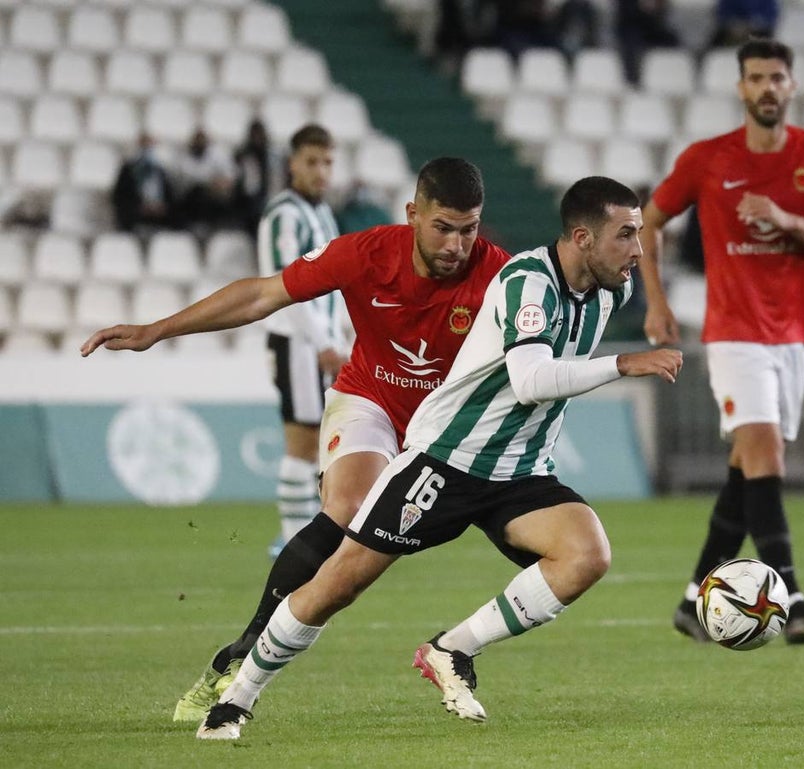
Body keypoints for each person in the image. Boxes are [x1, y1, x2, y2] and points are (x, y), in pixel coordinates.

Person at [194, 176, 683, 739]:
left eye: (638, 235)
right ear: (583, 237)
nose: (638, 249)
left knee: (586, 554)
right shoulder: (528, 281)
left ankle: (453, 649)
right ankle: (236, 698)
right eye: (625, 235)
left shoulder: (611, 288)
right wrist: (623, 363)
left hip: (519, 470)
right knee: (339, 583)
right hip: (448, 459)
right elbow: (529, 380)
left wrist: (656, 305)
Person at [79, 157, 513, 722]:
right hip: (371, 400)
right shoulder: (365, 254)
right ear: (413, 214)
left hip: (444, 429)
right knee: (349, 507)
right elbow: (262, 295)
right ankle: (239, 656)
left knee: (357, 572)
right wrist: (156, 330)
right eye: (443, 228)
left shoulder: (501, 277)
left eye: (468, 229)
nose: (456, 245)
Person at [637, 39, 804, 645]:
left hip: (796, 332)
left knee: (748, 465)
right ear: (740, 88)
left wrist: (786, 220)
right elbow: (648, 221)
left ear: (791, 86)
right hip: (734, 330)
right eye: (755, 77)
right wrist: (656, 301)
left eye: (776, 77)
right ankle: (794, 599)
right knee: (765, 451)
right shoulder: (708, 159)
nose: (766, 88)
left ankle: (693, 600)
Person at [255, 124, 345, 559]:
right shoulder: (284, 215)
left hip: (318, 341)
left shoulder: (321, 213)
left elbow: (333, 283)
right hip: (296, 341)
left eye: (327, 162)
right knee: (303, 441)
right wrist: (323, 341)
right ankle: (294, 542)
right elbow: (285, 285)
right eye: (311, 162)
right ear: (292, 164)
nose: (320, 171)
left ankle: (304, 535)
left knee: (319, 441)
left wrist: (340, 333)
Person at [174, 127, 237, 235]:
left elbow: (229, 179)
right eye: (197, 140)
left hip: (213, 198)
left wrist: (217, 184)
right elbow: (180, 183)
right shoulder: (183, 157)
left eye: (201, 139)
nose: (199, 142)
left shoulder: (217, 155)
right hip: (190, 199)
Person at [111, 132, 177, 233]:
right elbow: (119, 197)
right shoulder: (128, 170)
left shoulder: (160, 170)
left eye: (149, 146)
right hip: (135, 217)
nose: (147, 149)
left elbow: (170, 197)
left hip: (159, 218)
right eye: (143, 145)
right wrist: (139, 206)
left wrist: (161, 207)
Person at [233, 119, 283, 238]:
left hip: (271, 199)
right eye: (255, 135)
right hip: (248, 205)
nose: (257, 139)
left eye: (260, 134)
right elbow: (243, 187)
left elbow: (278, 182)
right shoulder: (243, 156)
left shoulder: (274, 157)